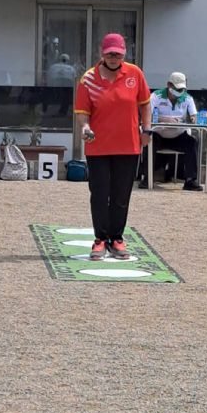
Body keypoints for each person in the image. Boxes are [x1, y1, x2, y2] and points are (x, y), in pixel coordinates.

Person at [74, 33, 152, 260]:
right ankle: (100, 239)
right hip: (98, 146)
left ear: (124, 53)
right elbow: (82, 112)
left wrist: (146, 129)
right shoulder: (88, 79)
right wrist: (85, 127)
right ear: (102, 53)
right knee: (99, 194)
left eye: (118, 54)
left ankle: (117, 239)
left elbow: (145, 104)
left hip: (128, 145)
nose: (114, 58)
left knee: (121, 195)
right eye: (110, 54)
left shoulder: (135, 74)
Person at [138, 71, 203, 191]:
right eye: (176, 89)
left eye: (181, 89)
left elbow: (194, 115)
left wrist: (193, 118)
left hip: (178, 136)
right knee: (149, 140)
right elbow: (147, 115)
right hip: (159, 134)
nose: (179, 92)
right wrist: (166, 119)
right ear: (169, 85)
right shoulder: (156, 96)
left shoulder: (187, 98)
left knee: (192, 142)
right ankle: (146, 178)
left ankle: (190, 180)